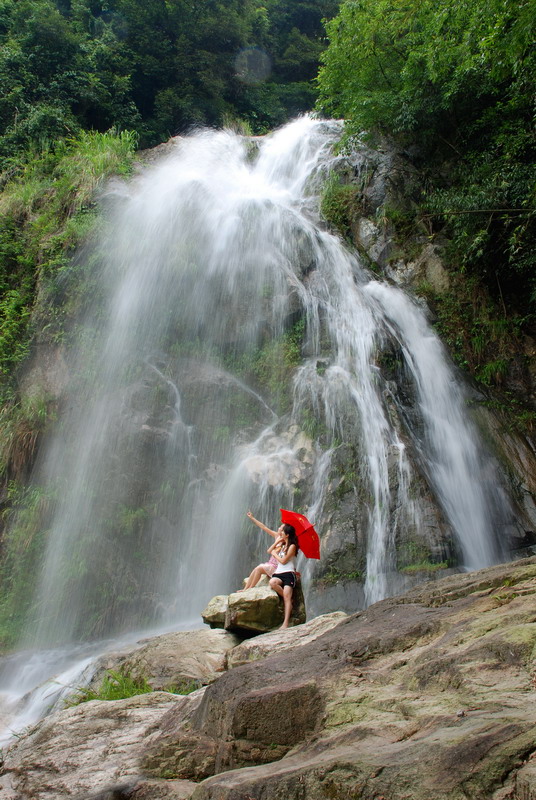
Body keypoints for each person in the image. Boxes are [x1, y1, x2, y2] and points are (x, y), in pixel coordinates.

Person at [238, 510, 282, 590]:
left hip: (276, 568)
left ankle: (250, 588)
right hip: (271, 564)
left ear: (283, 531)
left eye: (280, 528)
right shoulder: (277, 536)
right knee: (256, 569)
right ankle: (245, 589)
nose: (278, 528)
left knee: (259, 568)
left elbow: (273, 553)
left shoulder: (285, 543)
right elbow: (264, 527)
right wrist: (252, 518)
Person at [268, 524, 299, 629]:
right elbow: (269, 551)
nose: (280, 533)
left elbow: (283, 560)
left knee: (286, 596)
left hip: (288, 574)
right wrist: (277, 542)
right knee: (272, 583)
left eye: (283, 532)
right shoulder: (282, 545)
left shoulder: (292, 546)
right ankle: (289, 599)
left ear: (287, 535)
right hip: (278, 573)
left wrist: (275, 555)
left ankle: (285, 623)